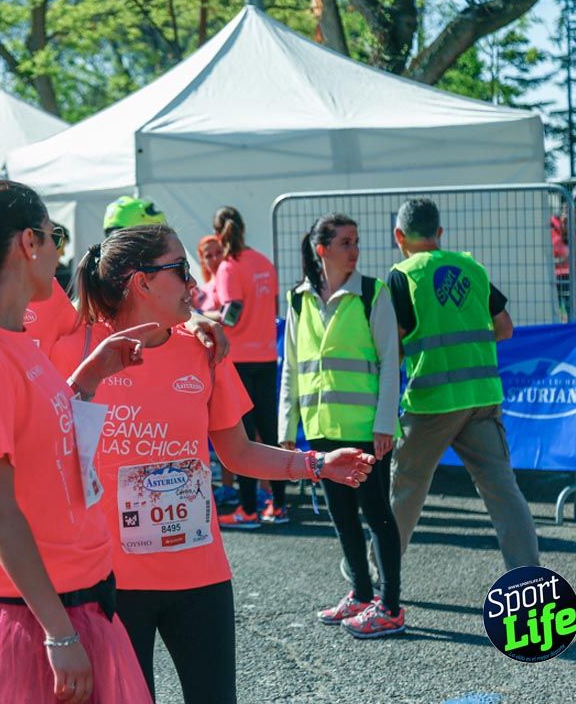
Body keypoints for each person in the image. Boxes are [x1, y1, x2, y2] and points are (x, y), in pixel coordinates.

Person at [52, 224, 375, 701]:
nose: (196, 285)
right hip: (110, 582)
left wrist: (318, 463)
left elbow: (238, 452)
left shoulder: (203, 351)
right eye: (181, 271)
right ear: (141, 282)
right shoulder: (76, 348)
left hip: (199, 575)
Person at [0, 179, 157, 703]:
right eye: (53, 235)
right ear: (28, 243)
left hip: (66, 603)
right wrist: (59, 633)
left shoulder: (16, 343)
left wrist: (87, 380)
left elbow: (43, 444)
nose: (60, 250)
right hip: (30, 621)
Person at [388, 198, 540, 571]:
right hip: (482, 399)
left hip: (431, 401)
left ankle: (381, 573)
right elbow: (504, 328)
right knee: (503, 491)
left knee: (407, 487)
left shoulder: (402, 276)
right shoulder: (471, 267)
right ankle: (528, 575)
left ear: (399, 236)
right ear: (439, 233)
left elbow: (393, 348)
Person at [279, 214, 405, 638]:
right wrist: (286, 430)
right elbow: (291, 369)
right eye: (345, 242)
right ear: (322, 250)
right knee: (341, 517)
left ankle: (390, 606)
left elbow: (391, 362)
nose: (354, 250)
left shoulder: (373, 292)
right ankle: (360, 595)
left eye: (356, 242)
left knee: (377, 515)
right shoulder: (298, 299)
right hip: (321, 430)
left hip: (367, 429)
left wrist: (385, 422)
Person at [207, 206, 286, 528]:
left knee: (245, 440)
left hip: (238, 361)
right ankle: (278, 506)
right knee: (269, 435)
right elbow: (271, 307)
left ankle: (249, 510)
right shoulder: (263, 262)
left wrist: (202, 316)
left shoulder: (228, 266)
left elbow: (232, 315)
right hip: (266, 357)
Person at [193, 234, 223, 312]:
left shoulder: (240, 281)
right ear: (203, 261)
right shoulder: (198, 294)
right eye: (208, 256)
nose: (215, 259)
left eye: (219, 252)